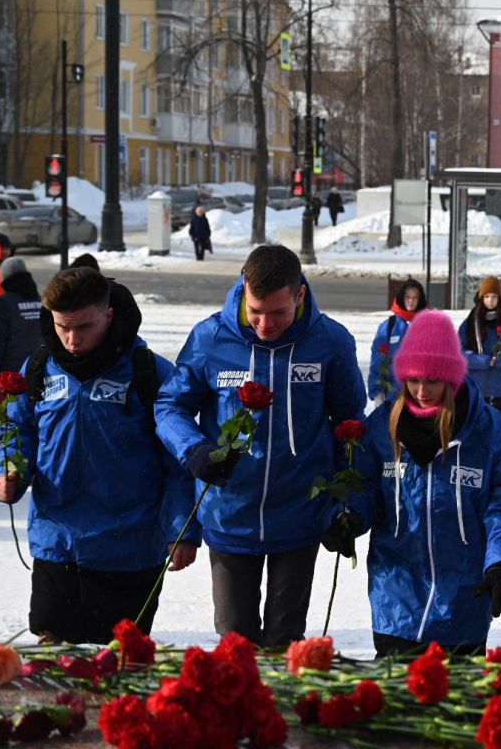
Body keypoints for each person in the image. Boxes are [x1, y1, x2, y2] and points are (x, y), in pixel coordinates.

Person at [154, 244, 367, 647]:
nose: (265, 324)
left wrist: (347, 502)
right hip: (229, 512)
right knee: (236, 642)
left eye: (278, 313)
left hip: (300, 514)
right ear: (243, 290)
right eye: (256, 312)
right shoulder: (211, 337)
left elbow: (351, 425)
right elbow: (170, 407)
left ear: (300, 295)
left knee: (285, 643)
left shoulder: (330, 342)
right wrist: (194, 449)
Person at [0, 268, 199, 643]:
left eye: (84, 327)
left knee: (118, 665)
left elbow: (177, 463)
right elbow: (16, 427)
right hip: (58, 539)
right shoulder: (38, 367)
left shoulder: (147, 371)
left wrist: (181, 529)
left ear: (108, 315)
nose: (72, 339)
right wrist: (11, 469)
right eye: (62, 326)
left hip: (130, 546)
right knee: (52, 649)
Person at [323, 310, 501, 657]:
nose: (422, 391)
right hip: (396, 599)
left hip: (463, 601)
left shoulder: (487, 430)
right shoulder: (382, 427)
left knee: (454, 708)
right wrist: (348, 517)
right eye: (414, 380)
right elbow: (363, 487)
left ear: (451, 378)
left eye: (433, 381)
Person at [458, 276, 501, 430]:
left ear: (500, 298)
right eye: (487, 296)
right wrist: (483, 361)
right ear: (481, 298)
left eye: (494, 296)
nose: (490, 300)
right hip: (476, 391)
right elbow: (459, 354)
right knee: (476, 440)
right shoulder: (470, 323)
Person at [0, 257, 42, 388]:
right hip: (39, 372)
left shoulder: (2, 304)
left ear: (4, 278)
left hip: (11, 380)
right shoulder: (41, 302)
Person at [368, 279, 426, 404]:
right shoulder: (389, 325)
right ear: (401, 298)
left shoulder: (428, 325)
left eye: (415, 297)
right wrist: (377, 391)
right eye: (408, 297)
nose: (411, 301)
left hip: (421, 396)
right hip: (392, 395)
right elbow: (377, 360)